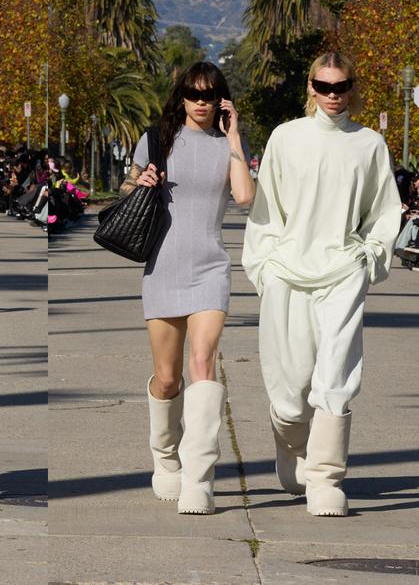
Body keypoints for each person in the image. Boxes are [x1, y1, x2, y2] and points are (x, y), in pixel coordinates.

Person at [242, 52, 402, 516]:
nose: (333, 95)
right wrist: (266, 268)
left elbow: (383, 212)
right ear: (310, 87)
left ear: (353, 88)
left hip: (343, 271)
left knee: (335, 378)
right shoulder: (285, 138)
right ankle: (291, 443)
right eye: (324, 86)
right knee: (290, 394)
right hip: (288, 272)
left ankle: (326, 479)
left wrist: (368, 260)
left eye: (341, 86)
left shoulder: (369, 144)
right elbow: (266, 211)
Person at [124, 61, 254, 515]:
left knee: (204, 364)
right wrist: (138, 181)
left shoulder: (227, 145)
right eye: (193, 94)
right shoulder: (158, 139)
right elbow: (126, 186)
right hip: (163, 267)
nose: (201, 102)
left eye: (210, 94)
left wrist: (235, 137)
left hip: (211, 267)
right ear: (180, 96)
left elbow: (244, 198)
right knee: (167, 378)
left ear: (221, 98)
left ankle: (199, 479)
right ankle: (165, 457)